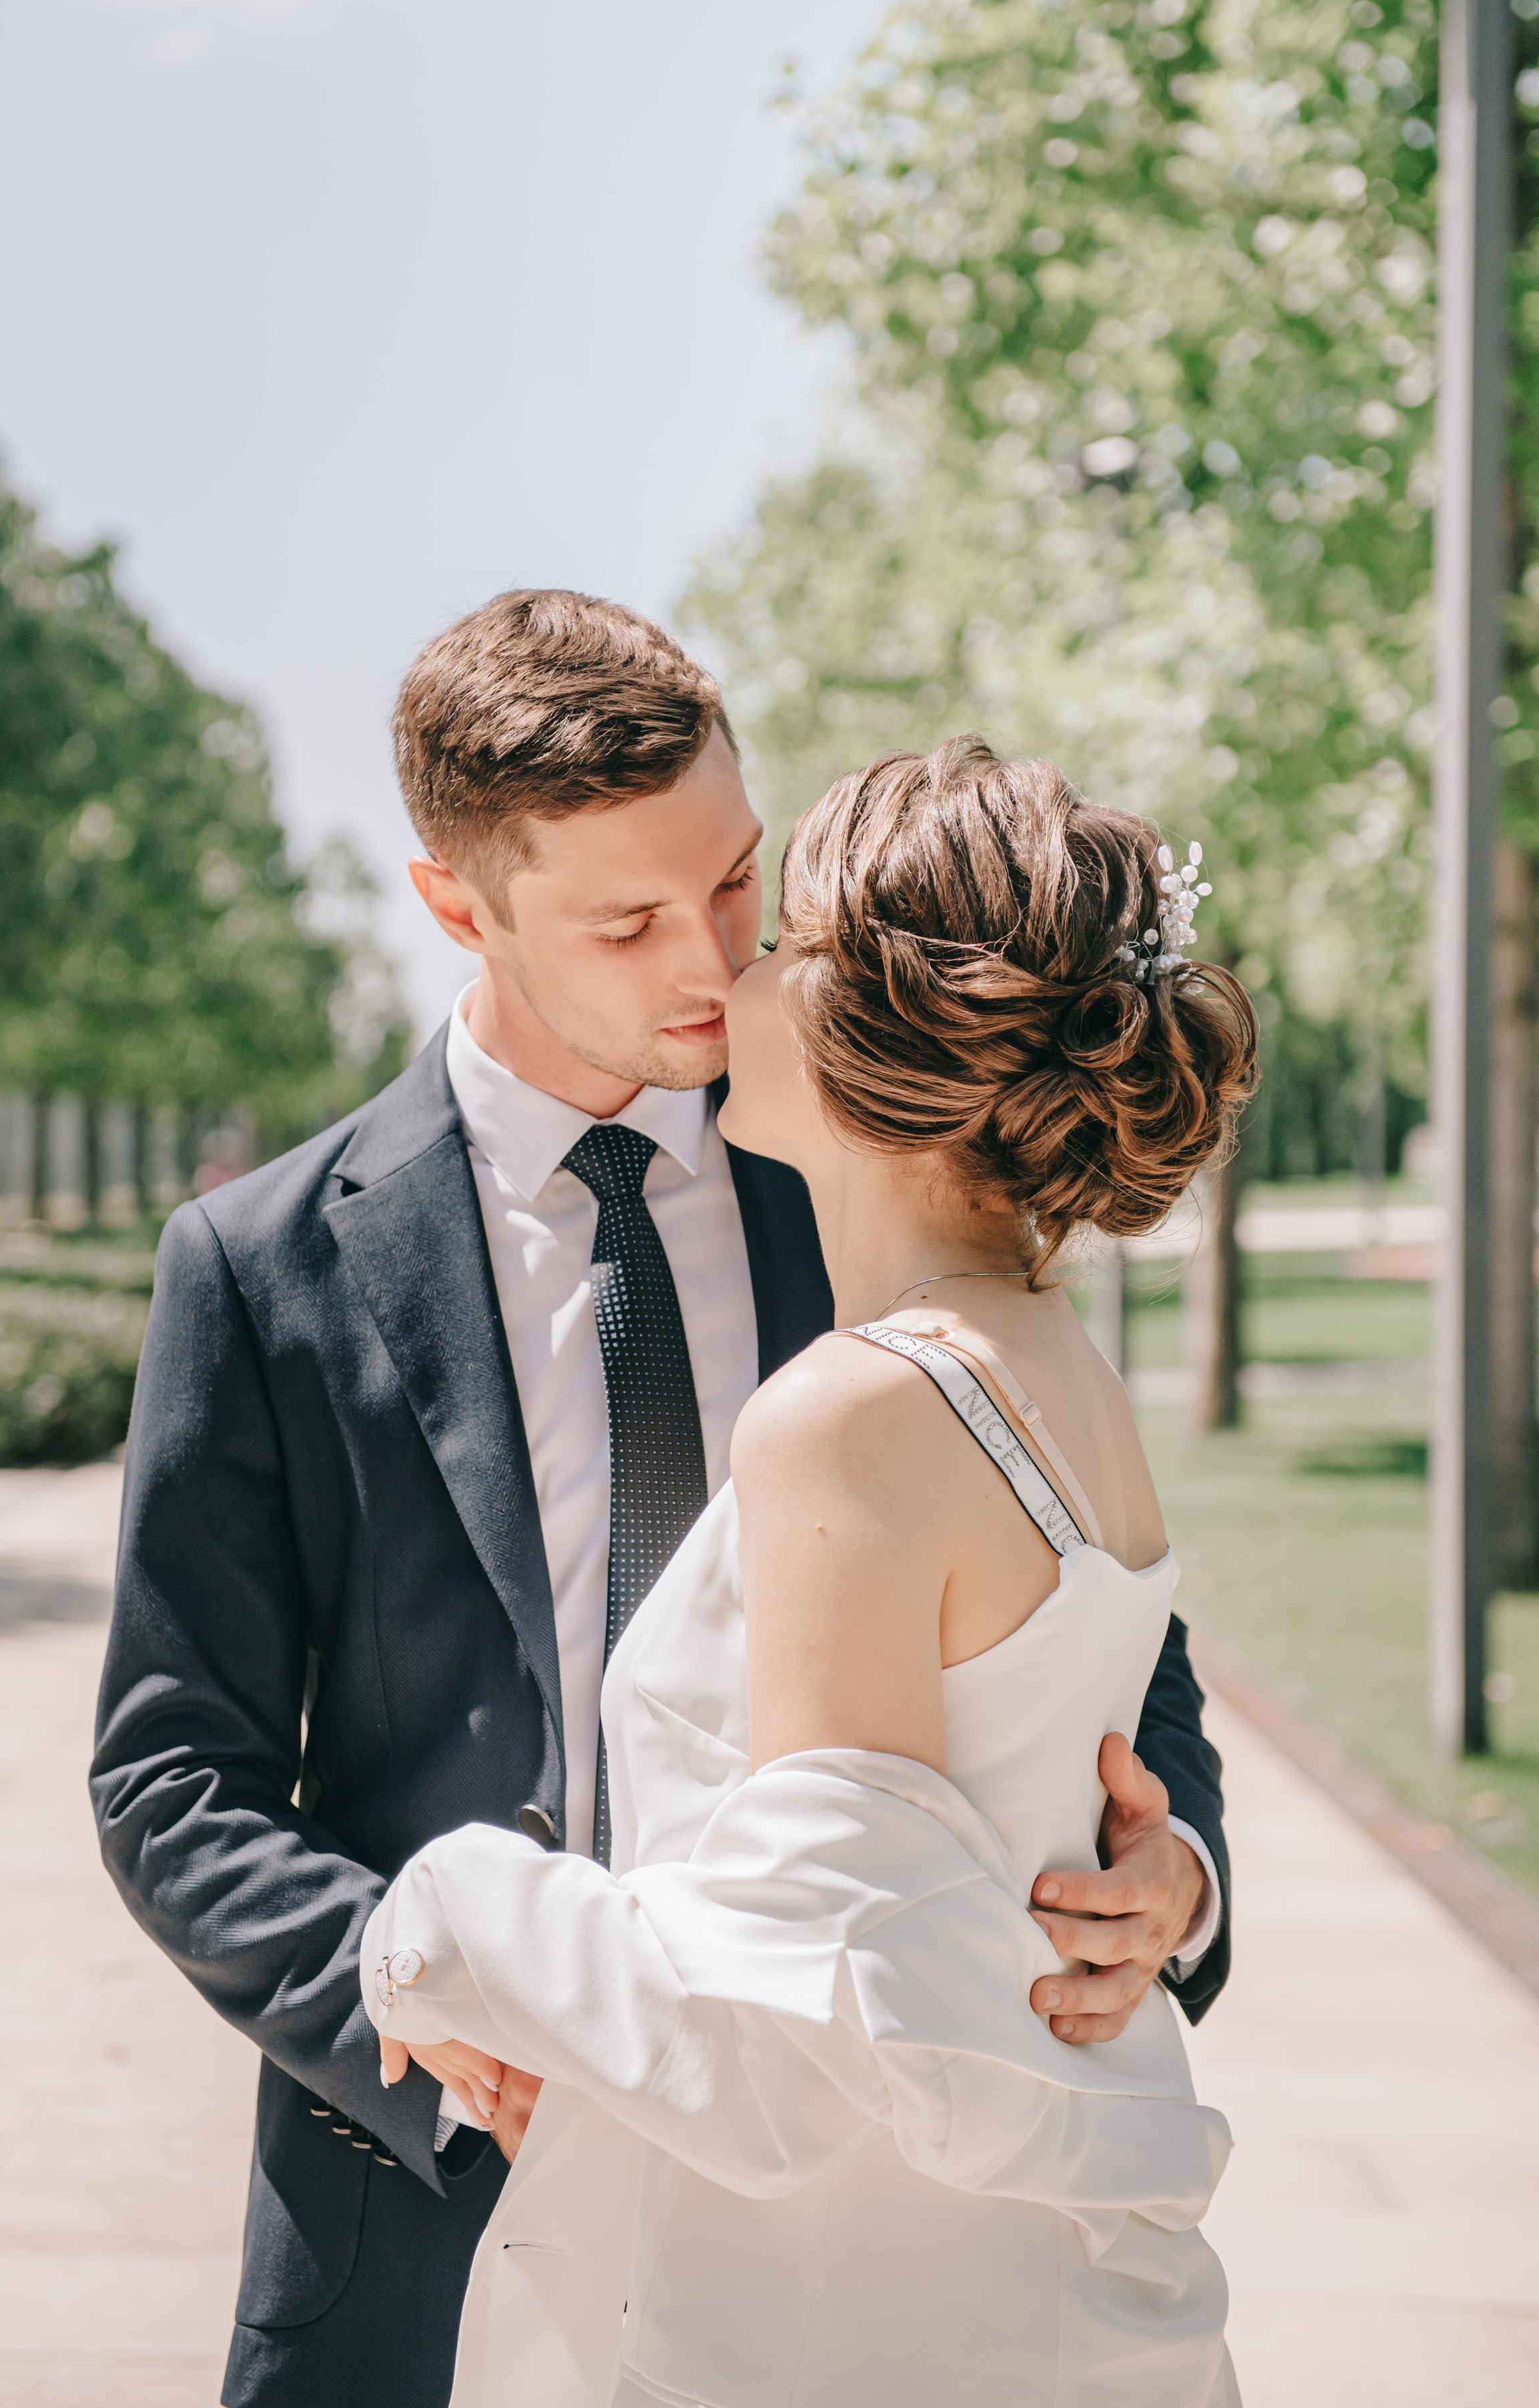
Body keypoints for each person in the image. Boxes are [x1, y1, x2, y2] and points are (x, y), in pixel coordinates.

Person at [91, 594, 1230, 2408]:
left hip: (847, 2236)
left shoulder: (873, 1169)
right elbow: (171, 1774)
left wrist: (1177, 1878)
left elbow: (1098, 1648)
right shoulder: (259, 1266)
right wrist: (412, 1990)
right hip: (419, 2212)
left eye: (734, 882)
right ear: (458, 904)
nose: (712, 961)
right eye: (627, 923)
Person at [364, 735, 1257, 2405]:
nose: (732, 969)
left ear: (865, 1014)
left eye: (778, 935)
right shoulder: (1055, 1367)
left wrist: (443, 1917)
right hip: (1025, 2283)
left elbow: (782, 2049)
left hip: (856, 2318)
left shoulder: (849, 1415)